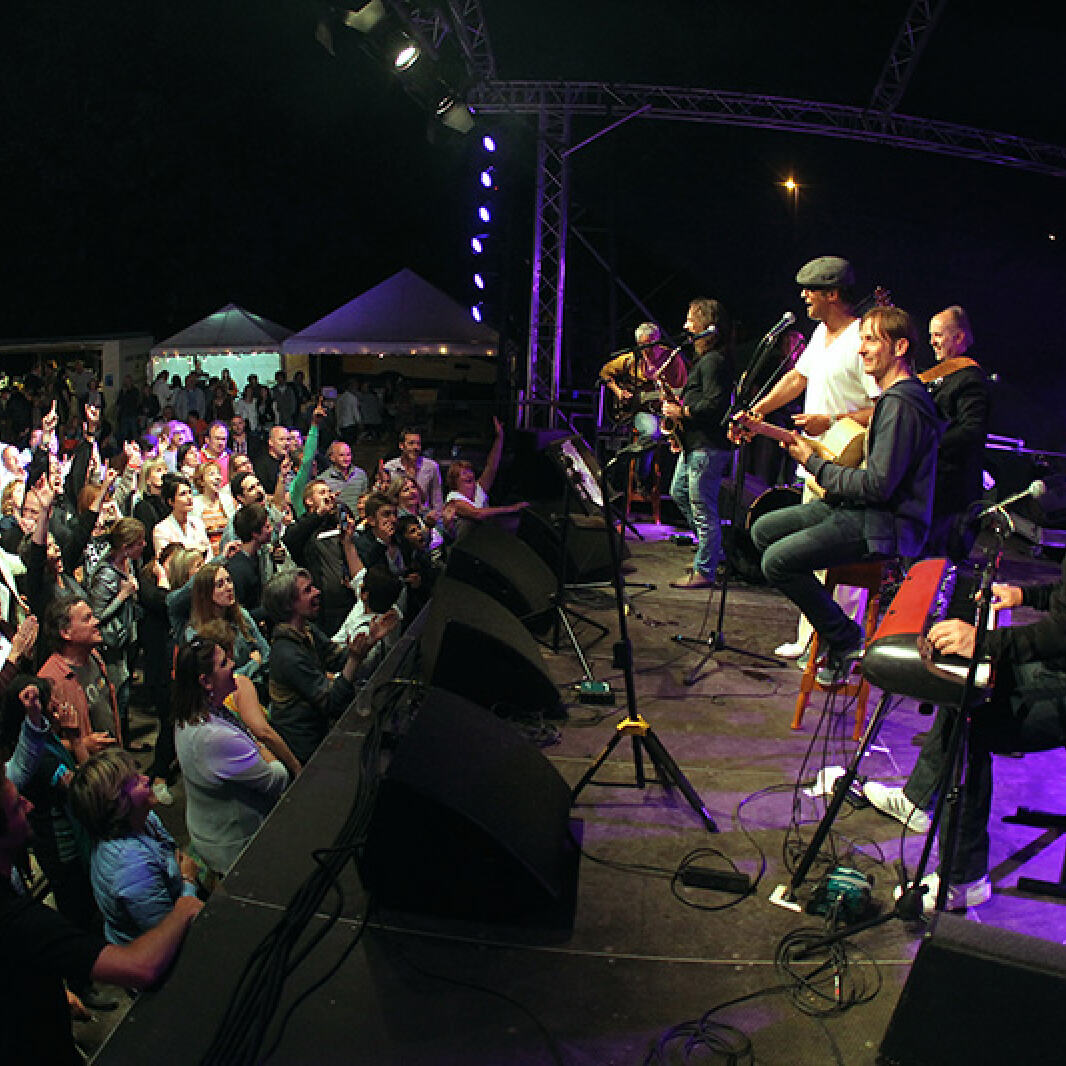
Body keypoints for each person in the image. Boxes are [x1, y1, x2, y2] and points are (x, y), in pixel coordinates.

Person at [751, 306, 941, 683]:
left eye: (871, 340)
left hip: (884, 525)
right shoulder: (892, 399)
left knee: (777, 562)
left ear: (900, 347)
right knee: (762, 530)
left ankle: (844, 636)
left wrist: (815, 464)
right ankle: (830, 625)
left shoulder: (902, 404)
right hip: (861, 509)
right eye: (862, 340)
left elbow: (878, 486)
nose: (861, 349)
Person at [0, 760, 202, 1065]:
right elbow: (145, 963)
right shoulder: (130, 868)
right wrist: (187, 893)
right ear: (118, 806)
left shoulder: (144, 822)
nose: (29, 806)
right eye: (17, 806)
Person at [738, 256, 880, 654]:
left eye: (811, 290)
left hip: (847, 464)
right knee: (805, 554)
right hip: (814, 462)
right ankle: (811, 639)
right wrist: (758, 410)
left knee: (835, 559)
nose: (803, 296)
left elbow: (883, 408)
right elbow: (796, 378)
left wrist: (830, 419)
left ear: (832, 294)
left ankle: (841, 644)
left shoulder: (861, 340)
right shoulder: (820, 334)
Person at [172, 637, 289, 875]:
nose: (234, 664)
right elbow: (277, 779)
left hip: (210, 830)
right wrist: (260, 744)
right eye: (224, 663)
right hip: (236, 848)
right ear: (205, 681)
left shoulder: (190, 714)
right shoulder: (215, 738)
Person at [69, 748, 201, 944]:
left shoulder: (143, 818)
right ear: (119, 803)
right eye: (135, 781)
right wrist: (188, 881)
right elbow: (167, 935)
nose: (146, 779)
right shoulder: (131, 867)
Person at [264, 569, 394, 765]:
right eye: (308, 590)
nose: (317, 591)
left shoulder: (306, 630)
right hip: (307, 749)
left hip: (322, 731)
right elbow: (332, 703)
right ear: (289, 604)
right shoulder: (287, 654)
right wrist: (355, 659)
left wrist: (368, 642)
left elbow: (338, 658)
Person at [661, 298, 734, 589]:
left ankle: (705, 570)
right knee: (678, 492)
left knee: (703, 509)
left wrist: (683, 412)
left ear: (706, 324)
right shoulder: (705, 361)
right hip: (694, 444)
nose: (686, 325)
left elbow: (715, 405)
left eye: (691, 320)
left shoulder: (714, 361)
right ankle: (713, 552)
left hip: (707, 446)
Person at [920, 305, 991, 561]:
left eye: (938, 335)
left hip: (951, 495)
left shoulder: (970, 379)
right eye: (931, 335)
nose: (932, 342)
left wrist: (927, 444)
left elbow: (971, 430)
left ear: (959, 337)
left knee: (938, 564)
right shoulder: (940, 376)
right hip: (933, 488)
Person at [86, 517, 147, 751]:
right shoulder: (105, 574)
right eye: (139, 543)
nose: (144, 546)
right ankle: (117, 749)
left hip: (127, 638)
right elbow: (96, 615)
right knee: (118, 696)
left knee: (126, 694)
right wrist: (122, 596)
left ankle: (126, 742)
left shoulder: (127, 564)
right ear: (125, 547)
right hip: (112, 645)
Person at [600, 321, 688, 464]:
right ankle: (638, 472)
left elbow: (681, 390)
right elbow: (605, 372)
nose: (647, 351)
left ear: (658, 341)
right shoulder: (632, 360)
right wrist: (618, 391)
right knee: (652, 431)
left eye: (651, 345)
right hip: (640, 412)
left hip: (667, 412)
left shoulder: (672, 360)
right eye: (642, 346)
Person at [443, 416, 527, 540]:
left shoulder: (478, 489)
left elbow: (492, 466)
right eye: (464, 473)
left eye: (470, 471)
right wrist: (511, 508)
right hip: (463, 544)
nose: (469, 475)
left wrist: (500, 438)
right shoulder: (454, 499)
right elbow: (477, 513)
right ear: (455, 481)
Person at [383, 428, 444, 514]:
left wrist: (436, 517)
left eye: (418, 444)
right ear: (401, 445)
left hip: (424, 515)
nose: (416, 447)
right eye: (411, 443)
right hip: (398, 515)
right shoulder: (390, 467)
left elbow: (437, 499)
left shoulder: (431, 467)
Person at [153, 473, 211, 557]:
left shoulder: (197, 522)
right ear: (171, 501)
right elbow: (167, 561)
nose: (189, 497)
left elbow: (208, 553)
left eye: (190, 492)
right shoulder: (161, 529)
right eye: (183, 494)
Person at [320, 440, 369, 514]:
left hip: (359, 518)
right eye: (341, 455)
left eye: (348, 455)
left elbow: (365, 498)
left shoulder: (360, 474)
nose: (346, 459)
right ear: (332, 457)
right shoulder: (323, 479)